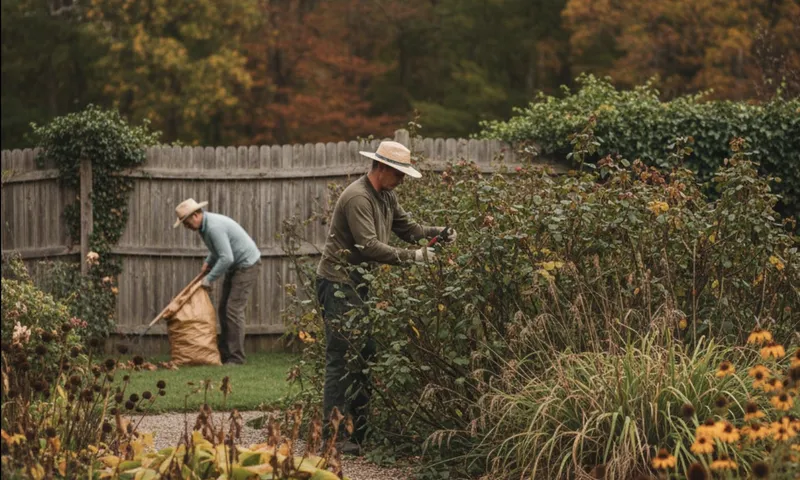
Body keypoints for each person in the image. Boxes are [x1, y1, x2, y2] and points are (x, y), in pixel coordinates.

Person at [315, 141, 457, 454]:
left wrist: (441, 233)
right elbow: (369, 247)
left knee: (365, 354)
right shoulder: (358, 198)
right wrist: (417, 257)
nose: (403, 179)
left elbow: (410, 229)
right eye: (400, 173)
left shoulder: (386, 196)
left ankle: (359, 434)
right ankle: (332, 439)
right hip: (338, 283)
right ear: (383, 168)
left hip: (359, 284)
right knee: (341, 359)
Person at [173, 198, 261, 365]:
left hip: (247, 265)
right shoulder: (205, 228)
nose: (186, 226)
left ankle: (236, 358)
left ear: (196, 215)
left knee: (233, 311)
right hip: (236, 266)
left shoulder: (213, 227)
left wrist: (208, 279)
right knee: (223, 309)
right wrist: (208, 261)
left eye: (186, 222)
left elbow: (227, 258)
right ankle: (225, 353)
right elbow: (219, 250)